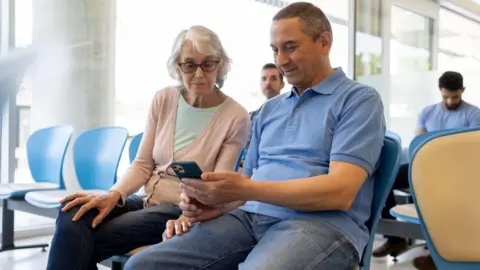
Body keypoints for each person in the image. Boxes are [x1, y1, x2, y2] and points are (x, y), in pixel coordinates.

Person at [125, 2, 385, 269]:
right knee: (144, 264)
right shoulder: (270, 110)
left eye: (290, 47)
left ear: (325, 42)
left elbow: (340, 192)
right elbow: (247, 186)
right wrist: (217, 206)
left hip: (320, 224)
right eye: (275, 49)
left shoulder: (358, 100)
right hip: (250, 218)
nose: (281, 60)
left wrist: (247, 189)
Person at [46, 25, 250, 270]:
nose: (198, 74)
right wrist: (112, 195)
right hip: (143, 200)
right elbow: (143, 164)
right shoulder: (163, 99)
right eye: (189, 65)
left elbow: (218, 188)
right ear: (177, 67)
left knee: (80, 238)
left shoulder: (236, 116)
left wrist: (190, 213)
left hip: (179, 209)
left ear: (220, 65)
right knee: (72, 214)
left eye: (208, 64)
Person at [373, 71, 480, 270]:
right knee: (385, 178)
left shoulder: (473, 114)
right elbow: (420, 145)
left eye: (454, 96)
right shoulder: (427, 112)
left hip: (459, 172)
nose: (449, 101)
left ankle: (435, 251)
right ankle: (395, 238)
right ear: (440, 92)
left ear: (462, 91)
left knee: (443, 190)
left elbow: (472, 151)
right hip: (426, 168)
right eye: (445, 96)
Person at [243, 63, 285, 159]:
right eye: (264, 79)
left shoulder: (291, 114)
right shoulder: (251, 116)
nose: (268, 83)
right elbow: (245, 149)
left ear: (282, 84)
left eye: (273, 78)